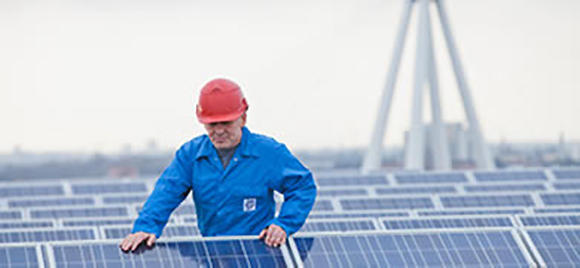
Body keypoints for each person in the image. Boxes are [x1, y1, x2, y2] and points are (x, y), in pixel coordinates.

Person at [119, 78, 317, 251]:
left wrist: (284, 224)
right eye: (212, 124)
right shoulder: (191, 155)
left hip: (260, 253)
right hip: (213, 255)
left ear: (243, 118)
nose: (219, 131)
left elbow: (302, 186)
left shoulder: (268, 153)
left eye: (226, 123)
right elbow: (166, 193)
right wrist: (146, 228)